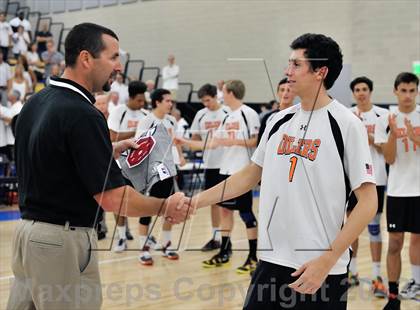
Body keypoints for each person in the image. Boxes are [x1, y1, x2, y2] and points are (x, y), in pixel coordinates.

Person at [187, 33, 377, 309]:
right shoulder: (279, 120)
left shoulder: (347, 124)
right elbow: (251, 175)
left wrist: (327, 260)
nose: (287, 71)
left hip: (319, 269)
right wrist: (196, 202)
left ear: (320, 72)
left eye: (296, 64)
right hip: (270, 262)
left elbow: (368, 202)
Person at [7, 23, 189, 310]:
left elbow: (49, 154)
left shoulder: (36, 102)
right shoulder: (83, 114)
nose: (119, 65)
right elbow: (113, 198)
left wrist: (109, 149)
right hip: (61, 241)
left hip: (28, 235)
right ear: (86, 59)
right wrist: (165, 207)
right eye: (113, 57)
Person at [194, 80, 261, 275]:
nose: (221, 95)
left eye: (223, 91)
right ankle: (224, 251)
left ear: (230, 93)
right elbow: (214, 143)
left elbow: (254, 141)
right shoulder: (228, 116)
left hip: (242, 170)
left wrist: (230, 141)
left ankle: (253, 257)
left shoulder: (248, 113)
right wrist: (184, 142)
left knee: (246, 213)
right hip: (225, 169)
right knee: (225, 212)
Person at [375, 72, 420, 310]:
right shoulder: (387, 118)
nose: (407, 96)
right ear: (395, 91)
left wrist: (416, 138)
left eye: (412, 90)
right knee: (394, 243)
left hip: (419, 191)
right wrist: (394, 133)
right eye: (403, 90)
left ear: (417, 91)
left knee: (418, 241)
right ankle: (393, 296)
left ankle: (417, 283)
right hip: (397, 191)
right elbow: (390, 159)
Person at [345, 76, 389, 297]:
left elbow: (387, 151)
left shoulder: (383, 115)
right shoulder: (347, 114)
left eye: (364, 89)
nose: (361, 93)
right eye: (357, 90)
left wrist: (368, 135)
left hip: (376, 178)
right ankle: (351, 271)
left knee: (373, 227)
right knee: (351, 225)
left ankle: (376, 275)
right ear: (353, 93)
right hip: (353, 179)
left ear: (370, 92)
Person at [135, 88, 186, 265]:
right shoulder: (146, 121)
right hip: (153, 172)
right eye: (167, 101)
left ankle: (166, 244)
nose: (171, 104)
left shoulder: (172, 120)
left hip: (170, 170)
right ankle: (143, 249)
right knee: (148, 209)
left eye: (171, 101)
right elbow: (139, 146)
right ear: (157, 102)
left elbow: (175, 142)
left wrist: (181, 155)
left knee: (171, 208)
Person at [176, 83, 229, 251]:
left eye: (208, 100)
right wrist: (193, 143)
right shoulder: (200, 115)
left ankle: (228, 241)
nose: (206, 104)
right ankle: (216, 237)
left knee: (229, 206)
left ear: (215, 96)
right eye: (203, 101)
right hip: (211, 164)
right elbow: (195, 139)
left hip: (228, 164)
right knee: (214, 203)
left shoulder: (228, 113)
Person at [107, 80, 149, 252]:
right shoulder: (118, 112)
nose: (142, 103)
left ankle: (143, 236)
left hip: (141, 166)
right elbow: (112, 136)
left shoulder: (146, 114)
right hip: (120, 164)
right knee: (119, 204)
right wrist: (137, 131)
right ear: (130, 98)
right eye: (139, 100)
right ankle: (122, 237)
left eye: (143, 100)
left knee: (142, 203)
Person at [258, 77, 296, 144]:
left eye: (289, 90)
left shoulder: (300, 116)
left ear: (295, 93)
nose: (285, 93)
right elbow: (260, 143)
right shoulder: (268, 117)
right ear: (277, 93)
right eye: (282, 90)